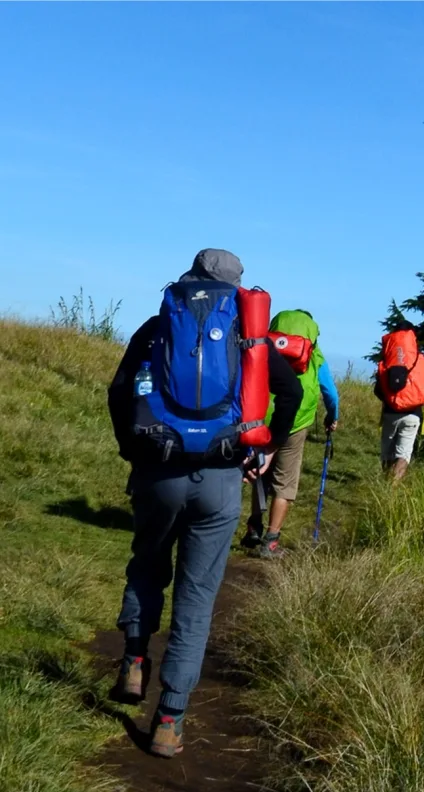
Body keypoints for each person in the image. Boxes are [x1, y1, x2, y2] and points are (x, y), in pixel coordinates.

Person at [106, 249, 302, 758]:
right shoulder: (248, 334)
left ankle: (132, 659)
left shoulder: (159, 324)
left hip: (158, 472)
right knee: (196, 597)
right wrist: (263, 449)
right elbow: (291, 392)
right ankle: (169, 719)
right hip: (219, 478)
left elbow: (119, 391)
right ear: (236, 287)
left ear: (191, 278)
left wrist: (136, 454)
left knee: (148, 565)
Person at [242, 309, 339, 559]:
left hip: (264, 414)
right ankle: (271, 541)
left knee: (260, 470)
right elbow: (330, 393)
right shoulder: (315, 356)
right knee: (284, 482)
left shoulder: (266, 347)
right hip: (297, 421)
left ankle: (254, 525)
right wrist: (332, 416)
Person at [375, 321, 424, 482]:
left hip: (390, 413)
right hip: (413, 414)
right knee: (404, 454)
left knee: (387, 453)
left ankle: (385, 482)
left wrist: (390, 400)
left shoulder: (388, 360)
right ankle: (393, 488)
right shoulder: (420, 360)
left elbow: (378, 390)